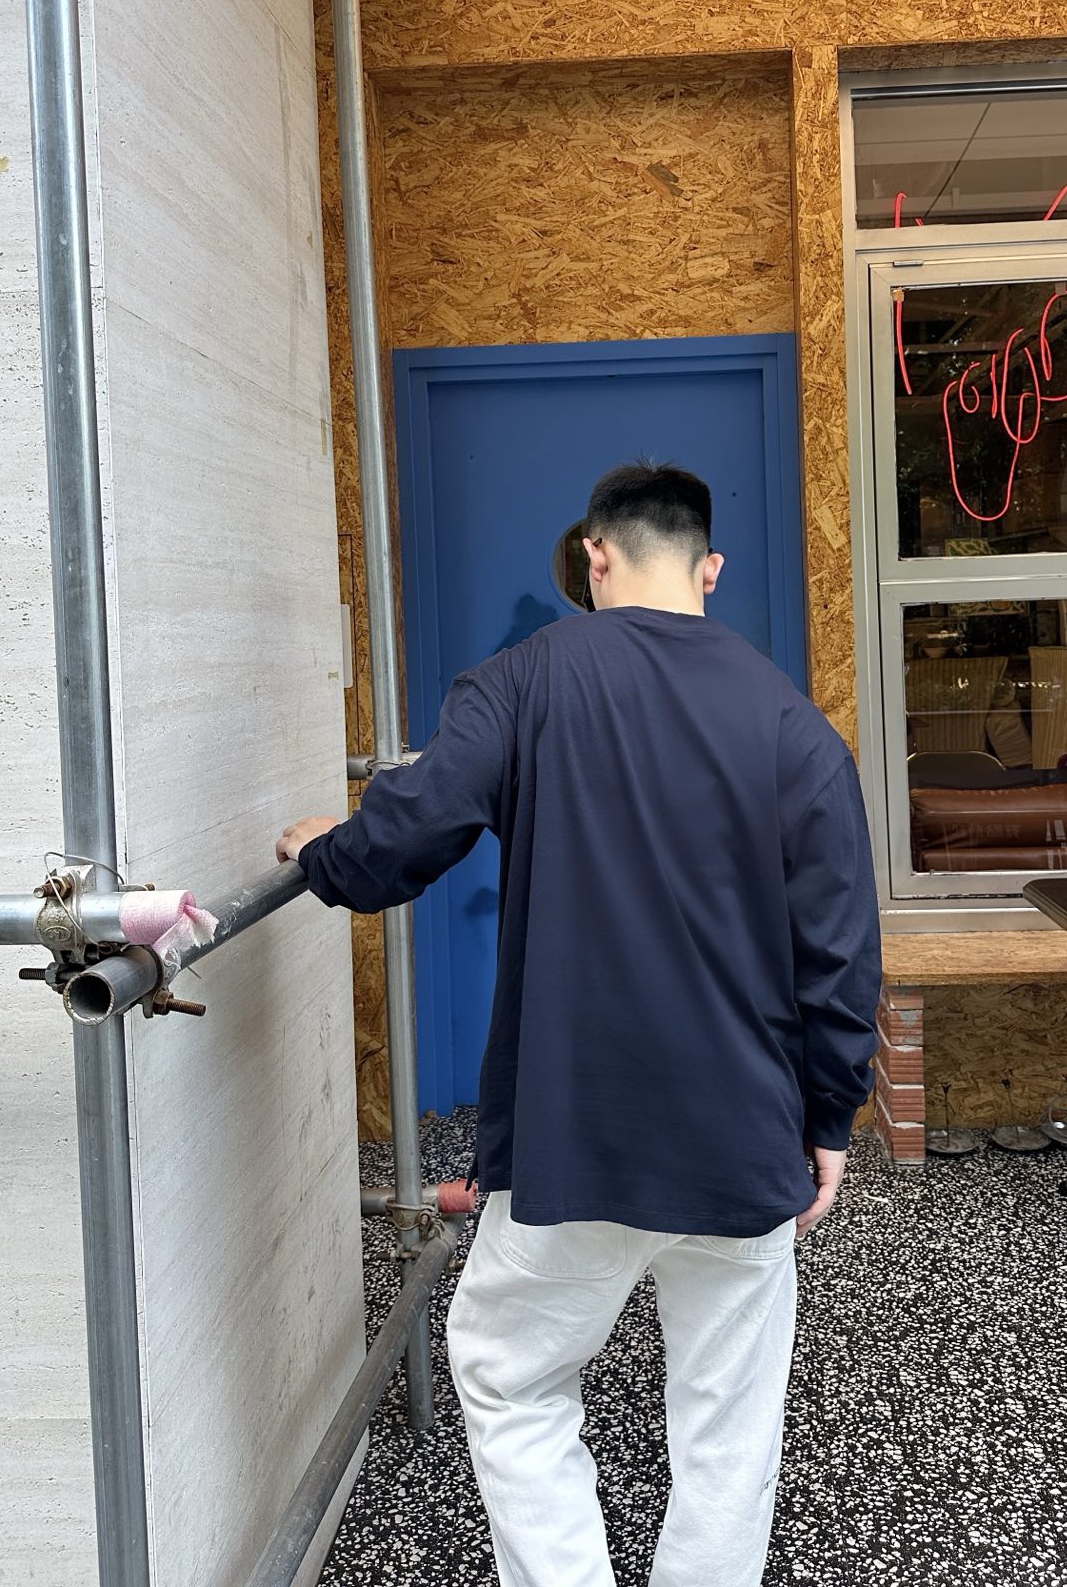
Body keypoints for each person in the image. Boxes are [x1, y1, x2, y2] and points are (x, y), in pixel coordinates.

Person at [277, 460, 881, 1587]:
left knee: (509, 1374)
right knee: (730, 1424)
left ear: (595, 556)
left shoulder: (521, 681)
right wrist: (831, 1119)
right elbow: (840, 953)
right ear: (709, 569)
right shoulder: (796, 729)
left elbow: (401, 840)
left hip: (576, 1137)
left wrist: (324, 849)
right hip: (745, 1135)